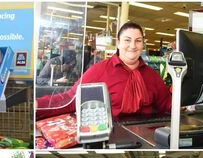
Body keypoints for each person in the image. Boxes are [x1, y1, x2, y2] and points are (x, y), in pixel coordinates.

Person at [36, 22, 172, 120]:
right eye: (127, 40)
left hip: (147, 136)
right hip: (113, 136)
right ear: (118, 42)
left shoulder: (152, 75)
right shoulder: (99, 70)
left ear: (143, 44)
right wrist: (38, 105)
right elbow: (71, 99)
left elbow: (166, 104)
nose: (133, 46)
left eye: (138, 41)